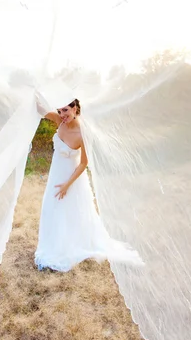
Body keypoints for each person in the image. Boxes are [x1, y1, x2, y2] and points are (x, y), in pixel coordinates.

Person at [34, 99, 144, 272]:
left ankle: (72, 244)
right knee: (52, 207)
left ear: (75, 108)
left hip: (72, 178)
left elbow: (84, 163)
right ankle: (54, 244)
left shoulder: (83, 132)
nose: (62, 115)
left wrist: (67, 185)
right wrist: (33, 92)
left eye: (65, 110)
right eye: (60, 111)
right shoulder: (58, 120)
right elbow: (40, 109)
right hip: (56, 174)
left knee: (73, 210)